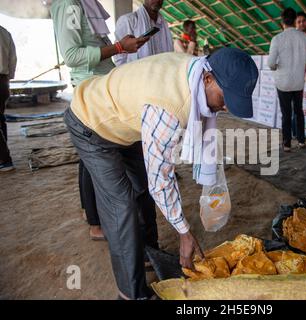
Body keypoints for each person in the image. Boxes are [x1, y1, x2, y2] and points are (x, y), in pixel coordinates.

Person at [64, 48, 258, 299]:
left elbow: (156, 177)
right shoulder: (170, 108)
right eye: (224, 98)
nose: (225, 108)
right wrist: (184, 233)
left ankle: (146, 251)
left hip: (125, 121)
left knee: (142, 187)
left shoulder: (195, 69)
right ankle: (131, 293)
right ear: (208, 79)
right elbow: (162, 180)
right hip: (90, 120)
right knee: (121, 205)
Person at [51, 0, 150, 241]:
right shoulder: (68, 5)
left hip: (103, 83)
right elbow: (73, 56)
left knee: (92, 156)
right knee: (94, 155)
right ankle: (96, 222)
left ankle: (93, 215)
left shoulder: (87, 5)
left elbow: (94, 44)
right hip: (89, 88)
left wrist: (120, 47)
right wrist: (118, 47)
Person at [268, 8, 306, 152]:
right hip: (298, 81)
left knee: (286, 113)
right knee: (299, 111)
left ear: (282, 22)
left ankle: (287, 144)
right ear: (295, 20)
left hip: (283, 82)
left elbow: (270, 63)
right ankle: (301, 141)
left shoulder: (277, 39)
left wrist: (276, 66)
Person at [115, 0, 173, 66]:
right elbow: (120, 59)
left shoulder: (163, 24)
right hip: (136, 74)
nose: (157, 0)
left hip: (161, 73)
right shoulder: (128, 20)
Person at [0, 25, 17, 172]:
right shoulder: (4, 32)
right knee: (0, 119)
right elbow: (13, 59)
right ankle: (4, 155)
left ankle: (4, 159)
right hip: (3, 80)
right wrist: (7, 79)